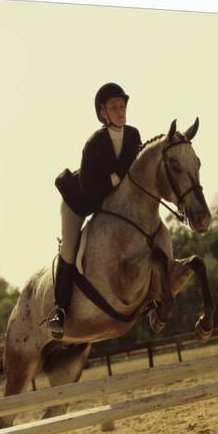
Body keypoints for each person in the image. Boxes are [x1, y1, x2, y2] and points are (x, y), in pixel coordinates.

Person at [47, 83, 142, 338]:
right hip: (79, 201)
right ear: (103, 113)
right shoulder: (95, 143)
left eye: (122, 106)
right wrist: (117, 178)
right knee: (69, 250)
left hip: (109, 204)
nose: (121, 111)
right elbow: (90, 189)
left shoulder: (133, 136)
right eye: (114, 107)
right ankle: (59, 311)